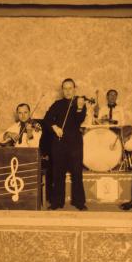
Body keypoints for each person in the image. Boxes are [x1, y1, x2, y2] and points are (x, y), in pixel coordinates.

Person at [43, 78, 88, 211]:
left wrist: (79, 108)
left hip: (75, 143)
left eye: (70, 88)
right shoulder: (57, 104)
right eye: (65, 88)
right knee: (58, 173)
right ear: (62, 90)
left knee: (77, 173)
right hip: (59, 143)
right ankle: (57, 202)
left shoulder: (80, 103)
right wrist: (55, 127)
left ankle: (79, 202)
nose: (68, 91)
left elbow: (79, 120)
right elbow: (47, 119)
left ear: (75, 89)